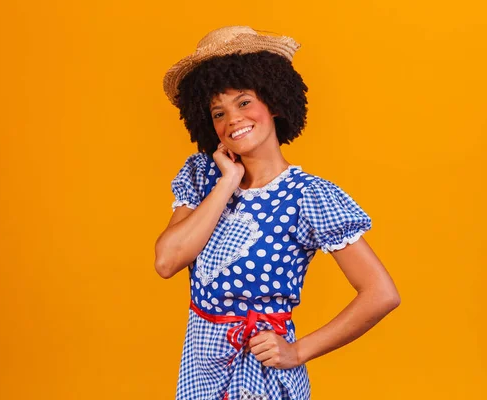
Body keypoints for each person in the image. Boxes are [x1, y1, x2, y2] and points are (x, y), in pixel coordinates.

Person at [155, 26, 400, 400]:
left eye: (244, 102)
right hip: (201, 368)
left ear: (273, 102)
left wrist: (298, 351)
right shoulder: (203, 176)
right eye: (217, 112)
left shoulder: (308, 196)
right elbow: (167, 261)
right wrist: (227, 182)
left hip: (263, 373)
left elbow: (381, 293)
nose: (232, 119)